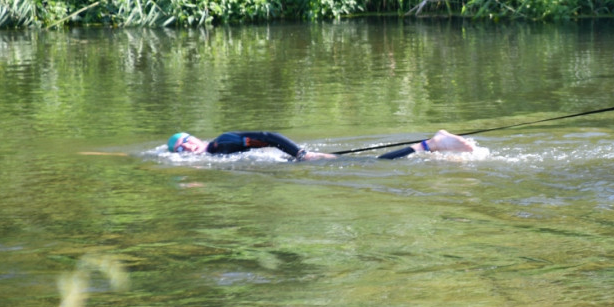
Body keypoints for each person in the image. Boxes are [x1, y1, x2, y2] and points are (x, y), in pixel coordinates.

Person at [166, 129, 475, 161]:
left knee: (369, 165)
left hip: (299, 157)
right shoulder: (217, 153)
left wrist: (301, 154)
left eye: (187, 142)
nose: (187, 148)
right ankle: (431, 146)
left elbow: (269, 135)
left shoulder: (221, 143)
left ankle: (432, 144)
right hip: (288, 160)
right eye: (181, 149)